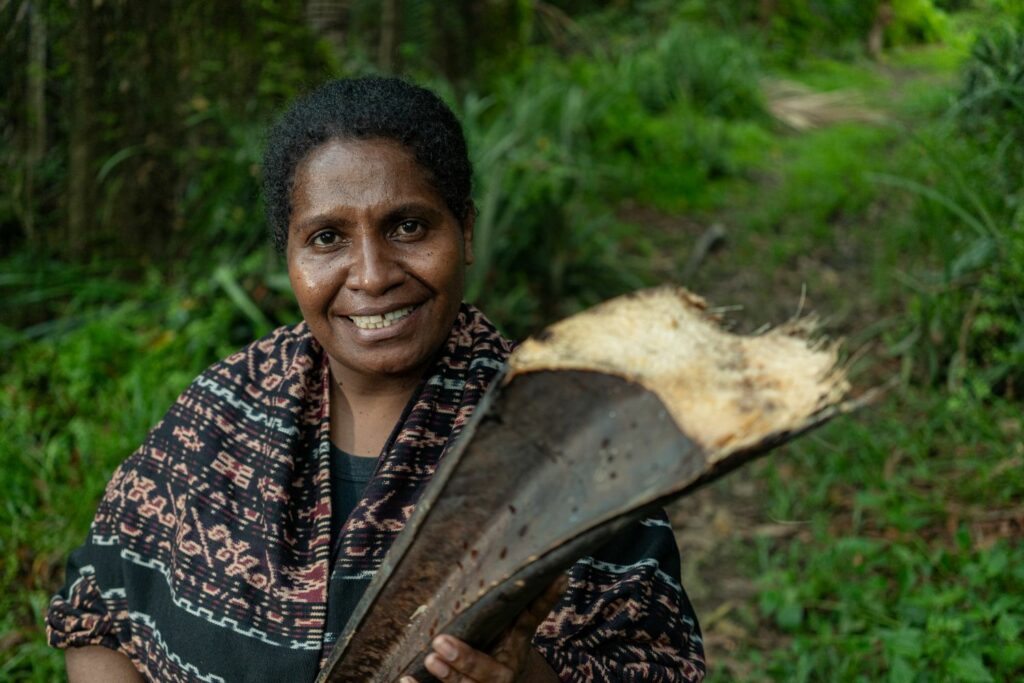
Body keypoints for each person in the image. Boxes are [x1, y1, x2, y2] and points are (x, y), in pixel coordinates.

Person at [47, 77, 706, 682]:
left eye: (408, 225)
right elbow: (99, 602)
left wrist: (523, 674)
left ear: (466, 230)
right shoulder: (221, 414)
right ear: (291, 257)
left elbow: (653, 662)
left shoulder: (572, 445)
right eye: (328, 237)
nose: (371, 273)